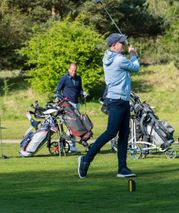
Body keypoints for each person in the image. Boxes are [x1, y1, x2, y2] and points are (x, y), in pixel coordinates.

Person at [78, 33, 140, 178]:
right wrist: (134, 54)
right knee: (111, 132)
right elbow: (135, 68)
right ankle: (86, 159)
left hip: (122, 100)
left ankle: (122, 168)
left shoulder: (109, 56)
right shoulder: (119, 59)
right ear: (114, 45)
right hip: (116, 100)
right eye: (121, 43)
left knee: (124, 134)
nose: (123, 45)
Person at [56, 63, 88, 153]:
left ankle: (71, 146)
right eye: (72, 70)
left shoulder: (78, 78)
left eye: (75, 70)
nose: (74, 72)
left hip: (76, 104)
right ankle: (70, 146)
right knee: (71, 125)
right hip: (67, 105)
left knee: (77, 126)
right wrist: (63, 100)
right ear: (69, 69)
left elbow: (79, 90)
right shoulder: (64, 78)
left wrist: (83, 93)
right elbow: (58, 91)